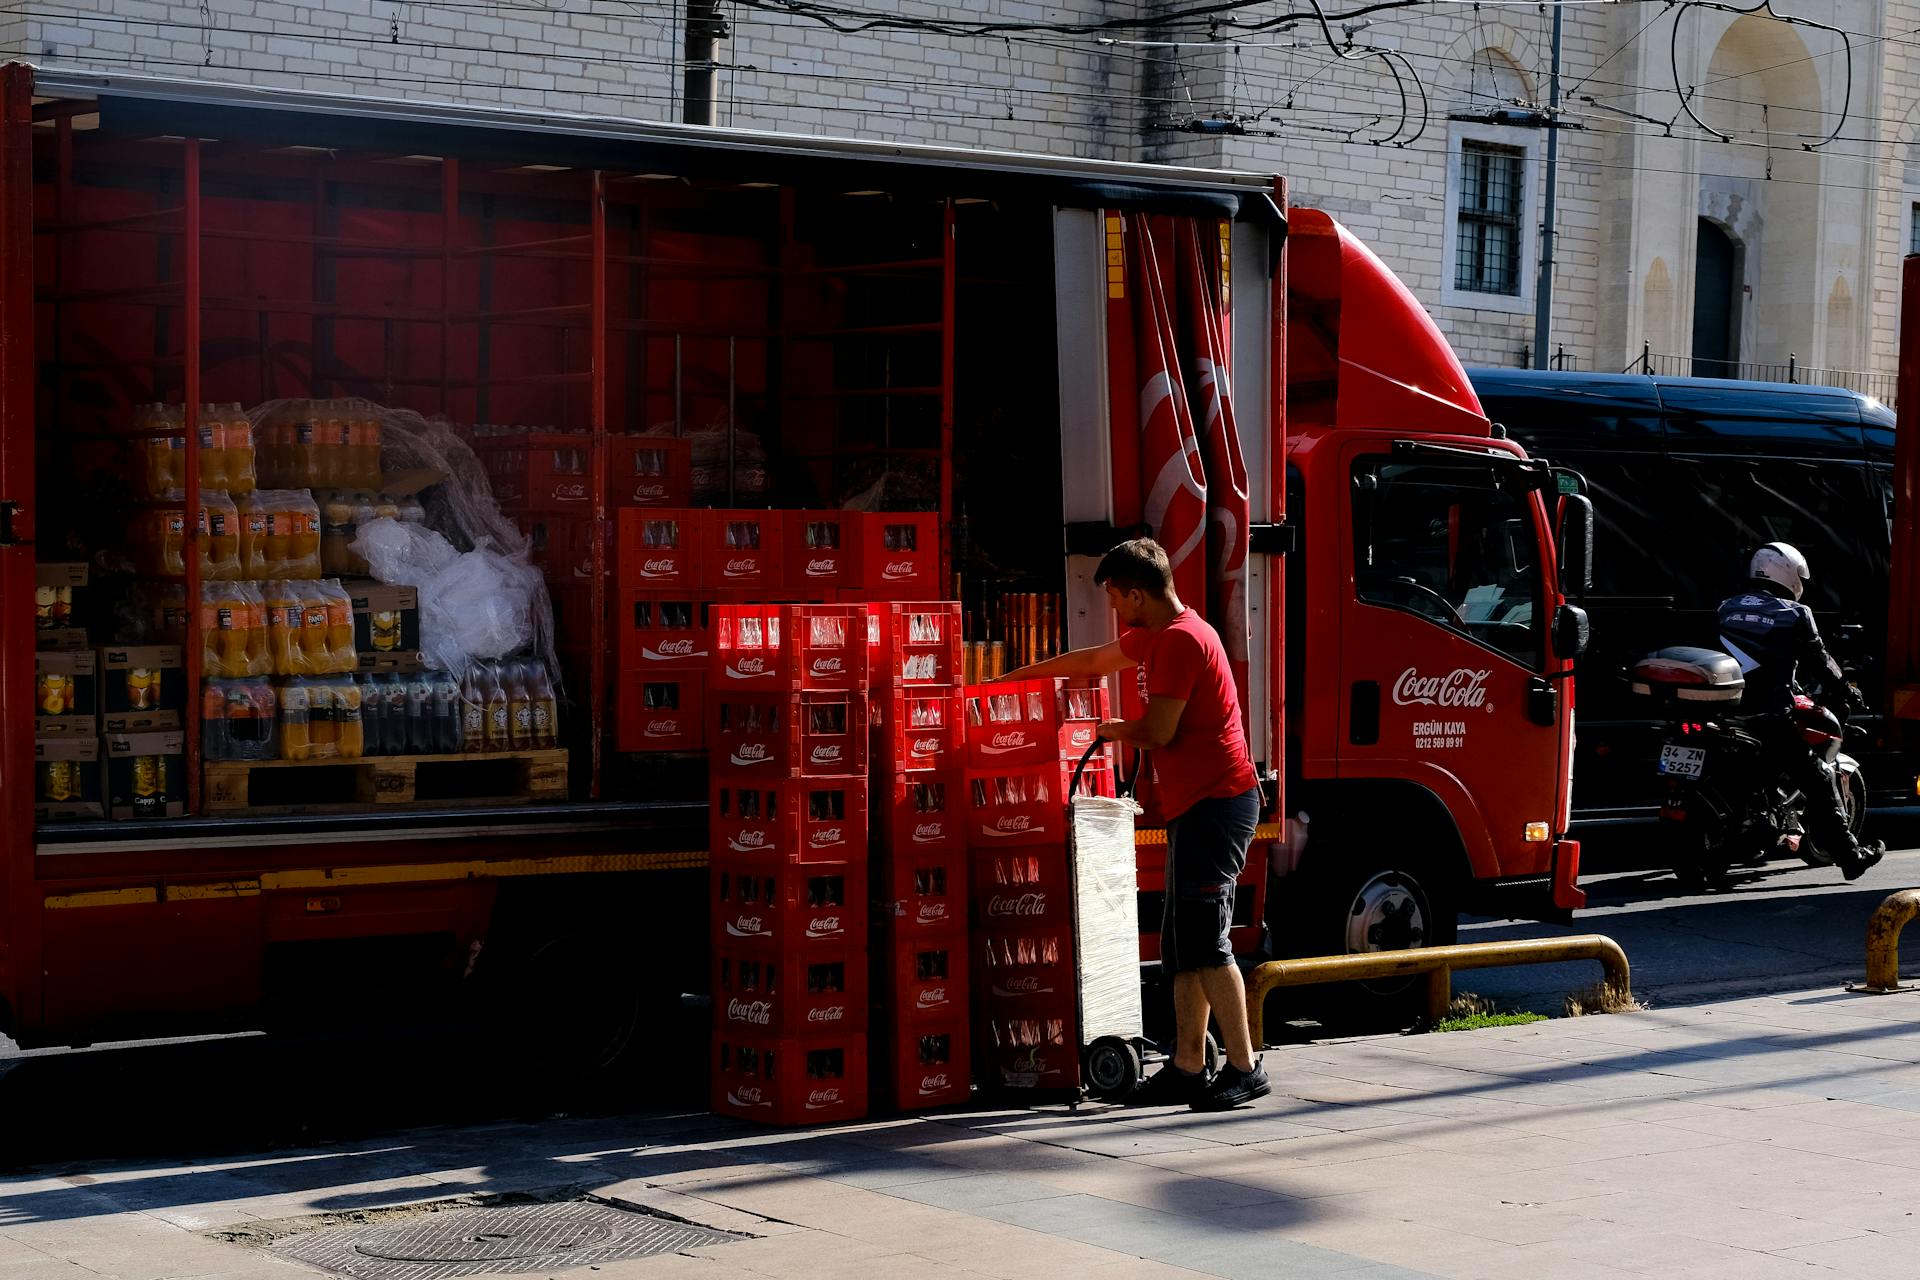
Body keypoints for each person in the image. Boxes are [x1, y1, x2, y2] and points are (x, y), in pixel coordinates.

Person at [999, 538, 1268, 1110]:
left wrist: (1113, 729)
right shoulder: (1156, 634)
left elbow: (1161, 730)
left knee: (1208, 941)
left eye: (1118, 599)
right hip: (1195, 806)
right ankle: (1187, 1067)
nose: (1116, 611)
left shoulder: (1180, 641)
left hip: (1219, 803)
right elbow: (1093, 660)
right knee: (1182, 945)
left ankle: (1245, 1066)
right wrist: (1016, 679)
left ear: (1139, 594)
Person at [1717, 542, 1885, 880]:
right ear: (1789, 573)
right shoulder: (1794, 613)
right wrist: (1846, 689)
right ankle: (1851, 855)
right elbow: (1820, 660)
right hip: (1768, 715)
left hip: (1723, 714)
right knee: (1818, 778)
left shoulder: (1725, 608)